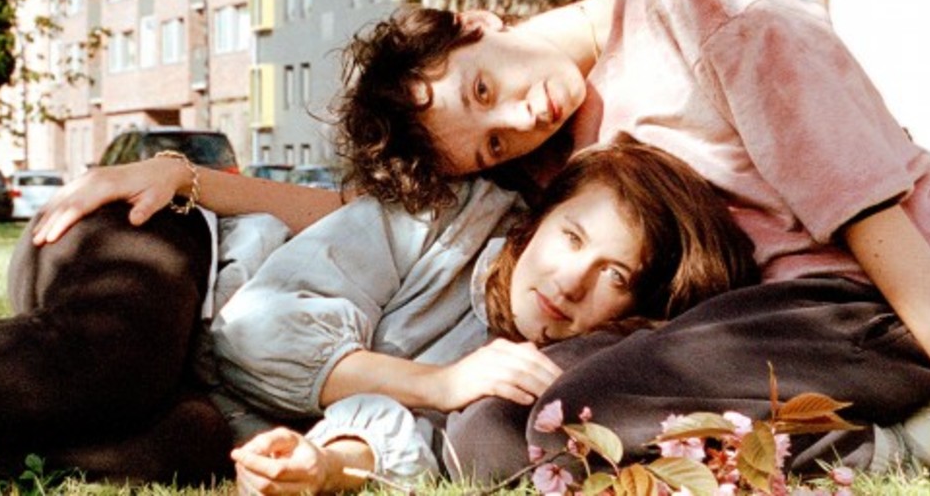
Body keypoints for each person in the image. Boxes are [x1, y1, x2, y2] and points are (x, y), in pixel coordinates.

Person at [33, 0, 930, 479]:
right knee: (493, 428)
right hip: (734, 329)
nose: (518, 119)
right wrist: (187, 175)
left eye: (485, 89)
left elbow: (872, 216)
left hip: (874, 304)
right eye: (488, 143)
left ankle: (896, 438)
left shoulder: (709, 5)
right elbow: (371, 218)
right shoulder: (562, 138)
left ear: (477, 21)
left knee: (574, 407)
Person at [218, 141, 758, 495]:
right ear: (541, 217)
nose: (571, 281)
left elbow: (416, 445)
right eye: (572, 237)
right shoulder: (448, 215)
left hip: (219, 413)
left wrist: (326, 464)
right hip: (209, 271)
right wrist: (439, 383)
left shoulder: (553, 366)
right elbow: (253, 333)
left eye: (614, 275)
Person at [0, 203, 235, 483]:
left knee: (192, 438)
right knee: (106, 357)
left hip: (199, 373)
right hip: (161, 226)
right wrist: (177, 173)